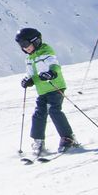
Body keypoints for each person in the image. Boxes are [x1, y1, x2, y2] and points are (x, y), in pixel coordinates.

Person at [16, 27, 79, 158]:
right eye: (21, 45)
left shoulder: (46, 51)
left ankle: (68, 138)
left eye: (25, 44)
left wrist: (52, 73)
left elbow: (54, 65)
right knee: (39, 114)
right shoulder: (29, 58)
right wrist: (28, 80)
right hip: (42, 91)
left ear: (36, 41)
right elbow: (31, 74)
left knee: (54, 111)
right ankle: (38, 141)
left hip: (55, 87)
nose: (24, 48)